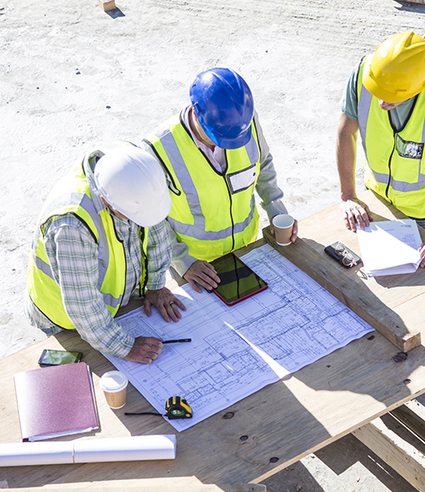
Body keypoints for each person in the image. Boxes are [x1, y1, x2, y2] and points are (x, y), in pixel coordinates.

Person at [25, 144, 186, 364]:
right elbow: (82, 305)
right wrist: (125, 347)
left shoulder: (138, 175)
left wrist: (155, 286)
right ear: (105, 200)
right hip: (66, 322)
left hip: (114, 307)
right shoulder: (72, 224)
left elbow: (156, 230)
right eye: (131, 216)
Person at [141, 67, 297, 292]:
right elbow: (151, 220)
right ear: (196, 113)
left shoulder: (244, 123)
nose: (228, 145)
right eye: (221, 137)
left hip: (247, 249)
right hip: (197, 267)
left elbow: (262, 164)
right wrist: (183, 262)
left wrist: (276, 209)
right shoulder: (158, 149)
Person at [336, 32, 425, 269]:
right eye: (377, 91)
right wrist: (348, 195)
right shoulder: (364, 74)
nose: (381, 102)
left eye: (392, 99)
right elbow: (345, 131)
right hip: (377, 197)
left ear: (419, 87)